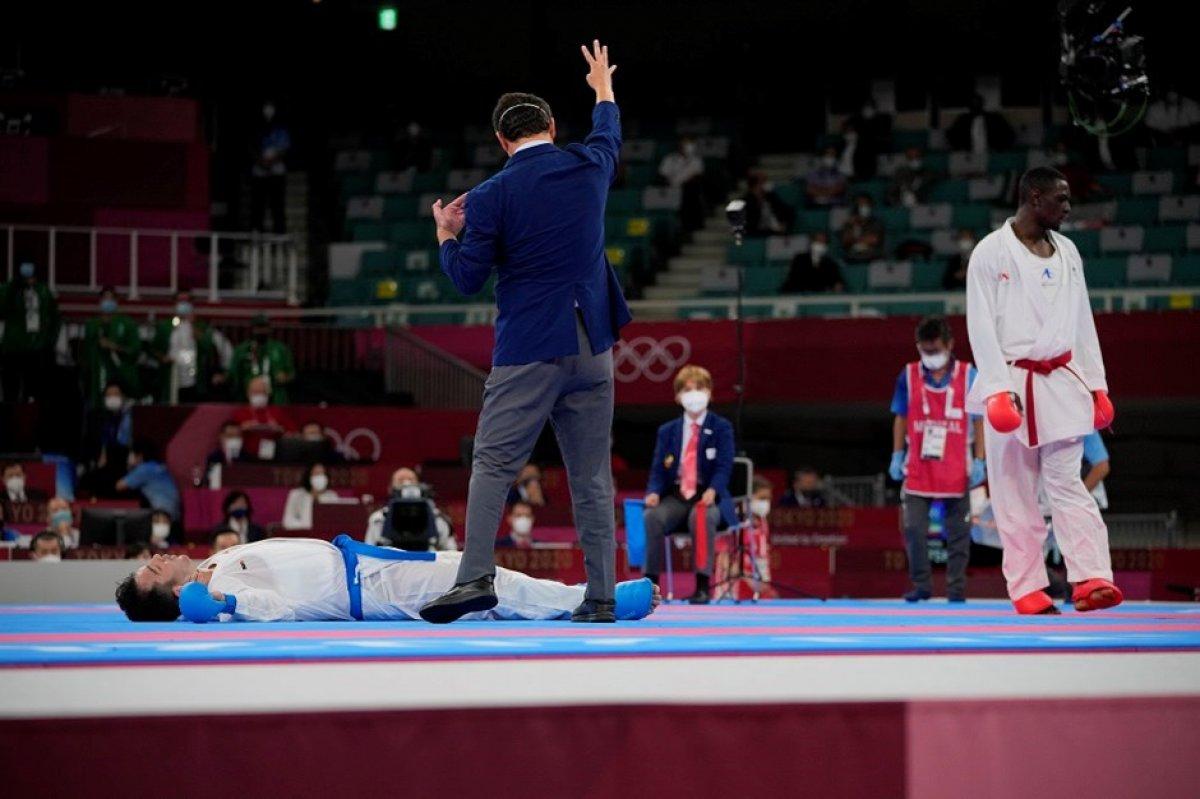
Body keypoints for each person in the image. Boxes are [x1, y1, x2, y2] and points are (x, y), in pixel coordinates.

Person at [420, 41, 631, 625]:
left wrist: (445, 234)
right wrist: (603, 88)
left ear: (501, 140)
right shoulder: (590, 165)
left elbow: (467, 278)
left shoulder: (491, 196)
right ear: (552, 126)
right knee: (592, 475)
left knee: (493, 465)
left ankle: (475, 578)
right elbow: (608, 130)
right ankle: (601, 596)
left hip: (530, 349)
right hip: (593, 345)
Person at [966, 166, 1120, 615]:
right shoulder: (990, 252)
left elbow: (1083, 322)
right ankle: (1028, 586)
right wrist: (996, 388)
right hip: (1011, 380)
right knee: (1013, 491)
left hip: (1061, 380)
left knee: (1067, 482)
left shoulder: (1068, 252)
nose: (1068, 208)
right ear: (1035, 197)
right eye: (1061, 199)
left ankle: (1091, 576)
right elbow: (980, 324)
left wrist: (1097, 385)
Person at [114, 541, 660, 623]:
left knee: (481, 585)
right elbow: (273, 608)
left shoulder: (216, 558)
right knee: (487, 581)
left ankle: (585, 599)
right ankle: (598, 601)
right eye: (154, 568)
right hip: (372, 589)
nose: (159, 556)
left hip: (368, 563)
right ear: (173, 593)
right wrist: (217, 601)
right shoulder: (220, 594)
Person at [888, 315, 986, 603]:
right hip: (919, 467)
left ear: (950, 344)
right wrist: (896, 454)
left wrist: (980, 459)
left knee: (959, 534)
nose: (930, 355)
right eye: (925, 350)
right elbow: (900, 417)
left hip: (957, 467)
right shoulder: (908, 375)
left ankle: (956, 589)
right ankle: (922, 585)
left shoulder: (969, 374)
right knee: (914, 529)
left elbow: (979, 420)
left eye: (936, 350)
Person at [642, 365, 737, 605]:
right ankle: (649, 585)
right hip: (676, 497)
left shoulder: (721, 427)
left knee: (701, 517)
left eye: (700, 389)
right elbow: (658, 469)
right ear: (677, 396)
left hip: (708, 497)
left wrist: (713, 490)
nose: (694, 394)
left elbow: (724, 466)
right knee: (652, 516)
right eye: (687, 390)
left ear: (710, 393)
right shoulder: (667, 431)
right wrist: (653, 492)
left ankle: (702, 586)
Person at [150, 290, 231, 404]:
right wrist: (164, 358)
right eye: (180, 300)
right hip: (172, 375)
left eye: (186, 301)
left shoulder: (200, 325)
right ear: (175, 303)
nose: (183, 304)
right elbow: (154, 349)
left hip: (194, 376)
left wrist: (192, 324)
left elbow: (208, 347)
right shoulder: (165, 326)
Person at [1, 261, 60, 403]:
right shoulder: (10, 289)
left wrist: (49, 341)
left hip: (37, 349)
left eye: (32, 275)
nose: (30, 279)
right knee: (11, 392)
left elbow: (55, 318)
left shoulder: (43, 291)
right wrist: (15, 286)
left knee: (35, 393)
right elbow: (2, 310)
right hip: (13, 348)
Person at [365, 467, 456, 551]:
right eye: (400, 480)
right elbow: (369, 552)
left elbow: (451, 551)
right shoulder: (378, 519)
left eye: (411, 479)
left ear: (418, 484)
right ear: (390, 488)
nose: (406, 483)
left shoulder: (437, 518)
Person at [81, 286, 142, 406]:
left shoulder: (127, 323)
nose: (108, 302)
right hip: (99, 375)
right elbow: (86, 353)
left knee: (120, 406)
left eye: (111, 299)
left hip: (122, 374)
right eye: (105, 299)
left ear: (116, 301)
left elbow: (135, 350)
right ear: (100, 301)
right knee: (99, 407)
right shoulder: (92, 325)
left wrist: (114, 347)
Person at [79, 381, 134, 498]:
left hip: (125, 464)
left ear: (123, 396)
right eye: (109, 395)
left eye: (116, 394)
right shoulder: (98, 418)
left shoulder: (130, 416)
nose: (112, 398)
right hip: (104, 465)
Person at [229, 314, 295, 405]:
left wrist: (285, 378)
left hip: (276, 399)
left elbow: (291, 374)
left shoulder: (280, 349)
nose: (261, 331)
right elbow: (233, 375)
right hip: (247, 398)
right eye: (258, 327)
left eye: (264, 327)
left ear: (269, 328)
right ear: (252, 329)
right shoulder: (241, 351)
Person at [230, 376, 296, 460]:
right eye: (255, 392)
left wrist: (279, 429)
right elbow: (230, 433)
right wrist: (242, 428)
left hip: (276, 453)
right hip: (247, 454)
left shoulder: (277, 412)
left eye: (262, 392)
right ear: (248, 394)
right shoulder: (240, 413)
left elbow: (292, 433)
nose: (259, 396)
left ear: (268, 394)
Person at [116, 440, 181, 522]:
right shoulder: (156, 466)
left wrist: (129, 467)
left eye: (131, 454)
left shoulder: (144, 469)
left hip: (163, 515)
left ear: (139, 456)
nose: (129, 457)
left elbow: (119, 486)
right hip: (174, 513)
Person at [250, 101, 290, 233]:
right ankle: (257, 232)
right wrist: (261, 162)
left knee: (277, 205)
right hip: (259, 172)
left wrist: (271, 162)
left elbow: (284, 150)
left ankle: (280, 233)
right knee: (258, 205)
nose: (268, 113)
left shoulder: (281, 130)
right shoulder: (256, 130)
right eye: (266, 110)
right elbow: (251, 149)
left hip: (277, 172)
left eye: (271, 110)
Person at [658, 135, 706, 232]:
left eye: (689, 144)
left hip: (688, 191)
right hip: (671, 189)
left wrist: (684, 185)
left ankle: (691, 226)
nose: (687, 146)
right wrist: (670, 185)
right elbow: (663, 175)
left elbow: (697, 175)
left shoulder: (696, 160)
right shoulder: (670, 159)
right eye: (684, 144)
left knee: (692, 192)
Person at [947, 93, 1014, 155]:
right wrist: (961, 150)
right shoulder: (962, 120)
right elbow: (951, 136)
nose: (975, 105)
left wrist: (1000, 149)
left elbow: (1010, 134)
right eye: (973, 103)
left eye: (977, 103)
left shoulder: (995, 118)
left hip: (992, 156)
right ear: (969, 106)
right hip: (968, 157)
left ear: (982, 104)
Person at [780, 231, 845, 294]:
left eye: (823, 242)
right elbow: (793, 280)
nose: (820, 245)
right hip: (799, 295)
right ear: (811, 242)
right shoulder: (800, 259)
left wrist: (837, 285)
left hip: (821, 296)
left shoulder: (830, 263)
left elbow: (837, 281)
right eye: (818, 241)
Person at [282, 462, 338, 530]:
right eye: (316, 474)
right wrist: (306, 527)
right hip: (302, 533)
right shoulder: (296, 495)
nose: (319, 477)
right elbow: (287, 521)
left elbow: (335, 522)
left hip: (325, 534)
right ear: (309, 476)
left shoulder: (332, 496)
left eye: (322, 474)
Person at [742, 171, 794, 237]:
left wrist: (784, 224)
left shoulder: (771, 197)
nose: (767, 183)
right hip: (758, 234)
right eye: (764, 181)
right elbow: (749, 225)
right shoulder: (745, 202)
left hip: (776, 232)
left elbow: (787, 210)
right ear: (757, 184)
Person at [840, 194, 885, 263]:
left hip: (872, 256)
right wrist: (854, 226)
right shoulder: (850, 223)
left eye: (865, 204)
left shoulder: (876, 222)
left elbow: (874, 240)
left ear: (870, 206)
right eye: (860, 205)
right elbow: (845, 240)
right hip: (852, 257)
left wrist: (855, 238)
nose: (863, 207)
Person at [204, 420, 250, 486]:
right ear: (221, 437)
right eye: (230, 436)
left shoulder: (247, 458)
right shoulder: (214, 458)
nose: (234, 439)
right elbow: (209, 483)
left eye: (237, 436)